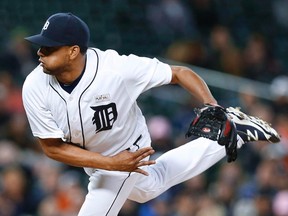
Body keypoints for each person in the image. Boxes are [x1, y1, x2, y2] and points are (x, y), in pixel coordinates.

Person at [22, 12, 280, 216]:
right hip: (101, 160)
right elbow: (52, 148)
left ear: (73, 51)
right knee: (149, 187)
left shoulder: (117, 69)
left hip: (128, 150)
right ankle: (234, 132)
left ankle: (229, 124)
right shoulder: (35, 86)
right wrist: (110, 163)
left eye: (48, 48)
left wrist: (213, 106)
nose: (40, 52)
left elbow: (179, 73)